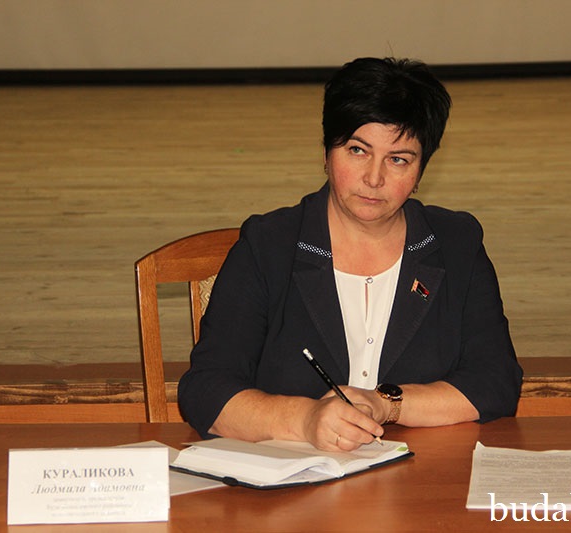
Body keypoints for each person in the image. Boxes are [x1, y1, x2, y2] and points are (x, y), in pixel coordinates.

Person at [178, 57, 523, 451]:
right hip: (293, 479)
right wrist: (305, 419)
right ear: (326, 154)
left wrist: (386, 404)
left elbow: (496, 381)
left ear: (421, 171)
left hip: (419, 473)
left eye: (398, 159)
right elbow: (206, 390)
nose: (374, 178)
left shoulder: (456, 243)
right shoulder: (269, 244)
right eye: (358, 150)